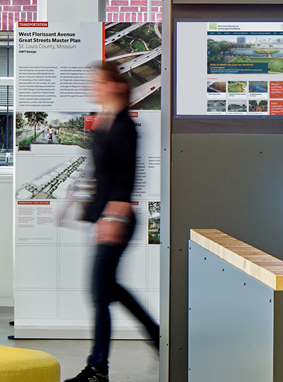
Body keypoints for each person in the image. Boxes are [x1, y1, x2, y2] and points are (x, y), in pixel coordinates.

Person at [67, 63, 160, 382]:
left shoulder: (124, 126)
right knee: (109, 290)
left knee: (98, 293)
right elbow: (100, 173)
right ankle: (158, 335)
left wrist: (112, 216)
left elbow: (125, 178)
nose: (92, 87)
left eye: (98, 82)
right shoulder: (105, 121)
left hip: (117, 220)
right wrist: (80, 204)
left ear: (116, 86)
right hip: (106, 217)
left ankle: (97, 369)